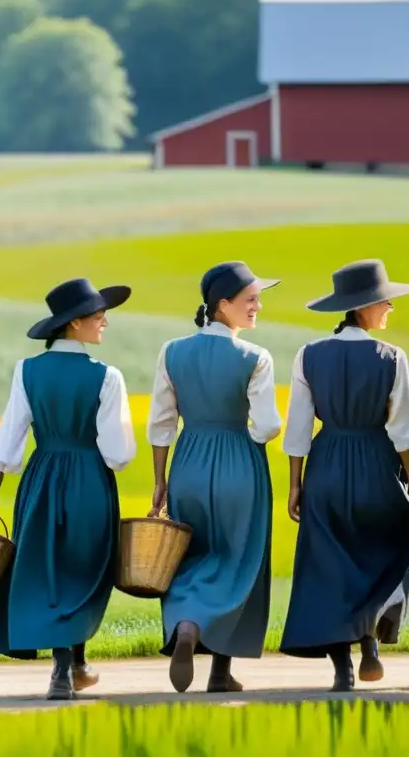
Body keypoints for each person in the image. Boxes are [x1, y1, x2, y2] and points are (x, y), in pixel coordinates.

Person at [0, 278, 137, 701]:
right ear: (75, 324)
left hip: (41, 477)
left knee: (48, 565)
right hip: (89, 480)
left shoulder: (27, 370)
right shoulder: (107, 376)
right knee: (84, 566)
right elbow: (118, 453)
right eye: (99, 317)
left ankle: (68, 666)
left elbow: (10, 438)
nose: (105, 323)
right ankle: (71, 664)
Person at [279, 259, 409, 692]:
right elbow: (403, 430)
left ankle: (342, 666)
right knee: (383, 552)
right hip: (377, 465)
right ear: (365, 306)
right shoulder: (391, 357)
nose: (390, 309)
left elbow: (298, 430)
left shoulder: (309, 355)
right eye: (386, 302)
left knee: (331, 566)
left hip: (325, 467)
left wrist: (295, 484)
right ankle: (370, 642)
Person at [147, 260, 282, 694]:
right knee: (239, 562)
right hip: (240, 466)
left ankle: (187, 624)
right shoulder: (255, 358)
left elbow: (161, 423)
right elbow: (265, 428)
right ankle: (220, 671)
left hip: (187, 463)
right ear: (223, 305)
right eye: (251, 299)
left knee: (190, 555)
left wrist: (160, 479)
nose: (258, 306)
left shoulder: (172, 351)